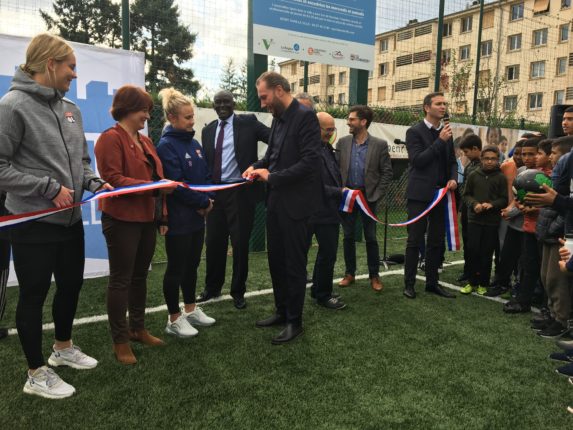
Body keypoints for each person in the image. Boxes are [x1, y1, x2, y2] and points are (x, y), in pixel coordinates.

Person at [0, 33, 112, 399]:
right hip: (32, 222)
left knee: (71, 285)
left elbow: (81, 162)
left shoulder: (71, 109)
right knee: (33, 294)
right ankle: (35, 373)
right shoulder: (12, 106)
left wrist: (95, 183)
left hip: (70, 221)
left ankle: (62, 348)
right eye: (70, 67)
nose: (75, 75)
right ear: (50, 64)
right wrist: (48, 188)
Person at [95, 85, 177, 364]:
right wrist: (156, 188)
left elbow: (158, 178)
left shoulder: (145, 141)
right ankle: (120, 340)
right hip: (121, 220)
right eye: (144, 110)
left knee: (140, 276)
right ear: (128, 109)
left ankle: (137, 329)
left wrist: (162, 215)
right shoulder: (110, 138)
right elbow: (114, 179)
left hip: (146, 218)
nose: (147, 116)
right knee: (121, 279)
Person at [243, 71, 321, 344]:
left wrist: (272, 177)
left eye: (264, 97)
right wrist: (256, 166)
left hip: (296, 207)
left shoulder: (305, 117)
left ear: (279, 90)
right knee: (276, 261)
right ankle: (281, 311)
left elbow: (310, 163)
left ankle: (294, 321)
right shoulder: (277, 118)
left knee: (294, 265)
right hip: (275, 203)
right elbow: (272, 156)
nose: (263, 103)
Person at [197, 90, 269, 309]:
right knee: (213, 242)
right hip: (216, 193)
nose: (222, 106)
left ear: (234, 103)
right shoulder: (208, 130)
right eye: (218, 102)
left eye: (226, 102)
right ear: (213, 105)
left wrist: (258, 165)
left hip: (240, 192)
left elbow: (276, 140)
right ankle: (212, 288)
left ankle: (238, 291)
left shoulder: (248, 123)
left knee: (239, 243)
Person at [156, 88, 216, 338]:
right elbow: (177, 184)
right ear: (172, 118)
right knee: (176, 267)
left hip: (197, 217)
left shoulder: (194, 143)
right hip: (179, 219)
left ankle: (190, 309)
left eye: (192, 116)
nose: (192, 121)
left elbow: (206, 176)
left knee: (192, 264)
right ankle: (173, 318)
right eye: (187, 117)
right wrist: (203, 202)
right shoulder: (166, 146)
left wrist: (209, 198)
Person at [403, 92, 458, 299]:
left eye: (444, 103)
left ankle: (432, 283)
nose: (443, 107)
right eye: (438, 104)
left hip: (441, 194)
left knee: (436, 241)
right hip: (419, 194)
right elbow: (418, 161)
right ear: (427, 108)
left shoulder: (446, 132)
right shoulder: (414, 132)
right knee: (414, 239)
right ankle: (409, 284)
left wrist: (453, 178)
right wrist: (440, 141)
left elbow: (452, 162)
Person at [337, 105, 392, 292]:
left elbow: (387, 173)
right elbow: (335, 169)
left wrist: (377, 194)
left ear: (363, 122)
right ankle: (349, 274)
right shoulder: (342, 143)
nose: (348, 122)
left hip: (368, 198)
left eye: (352, 119)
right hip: (347, 196)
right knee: (348, 236)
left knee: (370, 237)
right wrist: (340, 189)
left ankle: (374, 275)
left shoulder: (379, 144)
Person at [503, 138, 549, 313]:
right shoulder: (525, 174)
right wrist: (519, 206)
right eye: (525, 154)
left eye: (535, 154)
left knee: (546, 271)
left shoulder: (551, 176)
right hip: (528, 228)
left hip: (545, 230)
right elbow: (519, 197)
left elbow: (553, 204)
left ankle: (547, 307)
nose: (530, 158)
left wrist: (534, 208)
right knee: (528, 265)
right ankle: (524, 301)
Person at [533, 137, 573, 337]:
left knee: (557, 279)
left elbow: (565, 209)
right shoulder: (556, 176)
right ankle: (553, 314)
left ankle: (561, 320)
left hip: (558, 235)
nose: (550, 157)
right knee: (547, 277)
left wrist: (553, 229)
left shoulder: (565, 174)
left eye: (554, 153)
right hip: (549, 234)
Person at [309, 112, 346, 310]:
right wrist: (339, 192)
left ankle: (318, 289)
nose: (331, 133)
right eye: (328, 129)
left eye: (333, 129)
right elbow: (313, 185)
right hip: (318, 210)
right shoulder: (311, 150)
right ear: (316, 128)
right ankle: (324, 295)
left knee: (326, 253)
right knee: (328, 253)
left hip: (329, 209)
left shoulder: (326, 148)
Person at [461, 146, 508, 295]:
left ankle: (483, 283)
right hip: (474, 220)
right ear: (481, 159)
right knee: (472, 250)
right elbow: (466, 195)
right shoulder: (473, 175)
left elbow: (504, 199)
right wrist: (474, 204)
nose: (489, 161)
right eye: (486, 158)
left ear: (498, 160)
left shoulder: (501, 177)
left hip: (491, 222)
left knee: (486, 253)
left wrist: (492, 204)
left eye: (493, 159)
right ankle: (471, 282)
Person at [457, 135, 483, 283]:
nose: (465, 155)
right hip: (467, 208)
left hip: (479, 209)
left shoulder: (484, 165)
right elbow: (465, 190)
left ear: (475, 149)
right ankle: (468, 270)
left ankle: (477, 272)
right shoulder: (470, 166)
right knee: (467, 241)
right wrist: (462, 208)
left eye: (466, 152)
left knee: (476, 244)